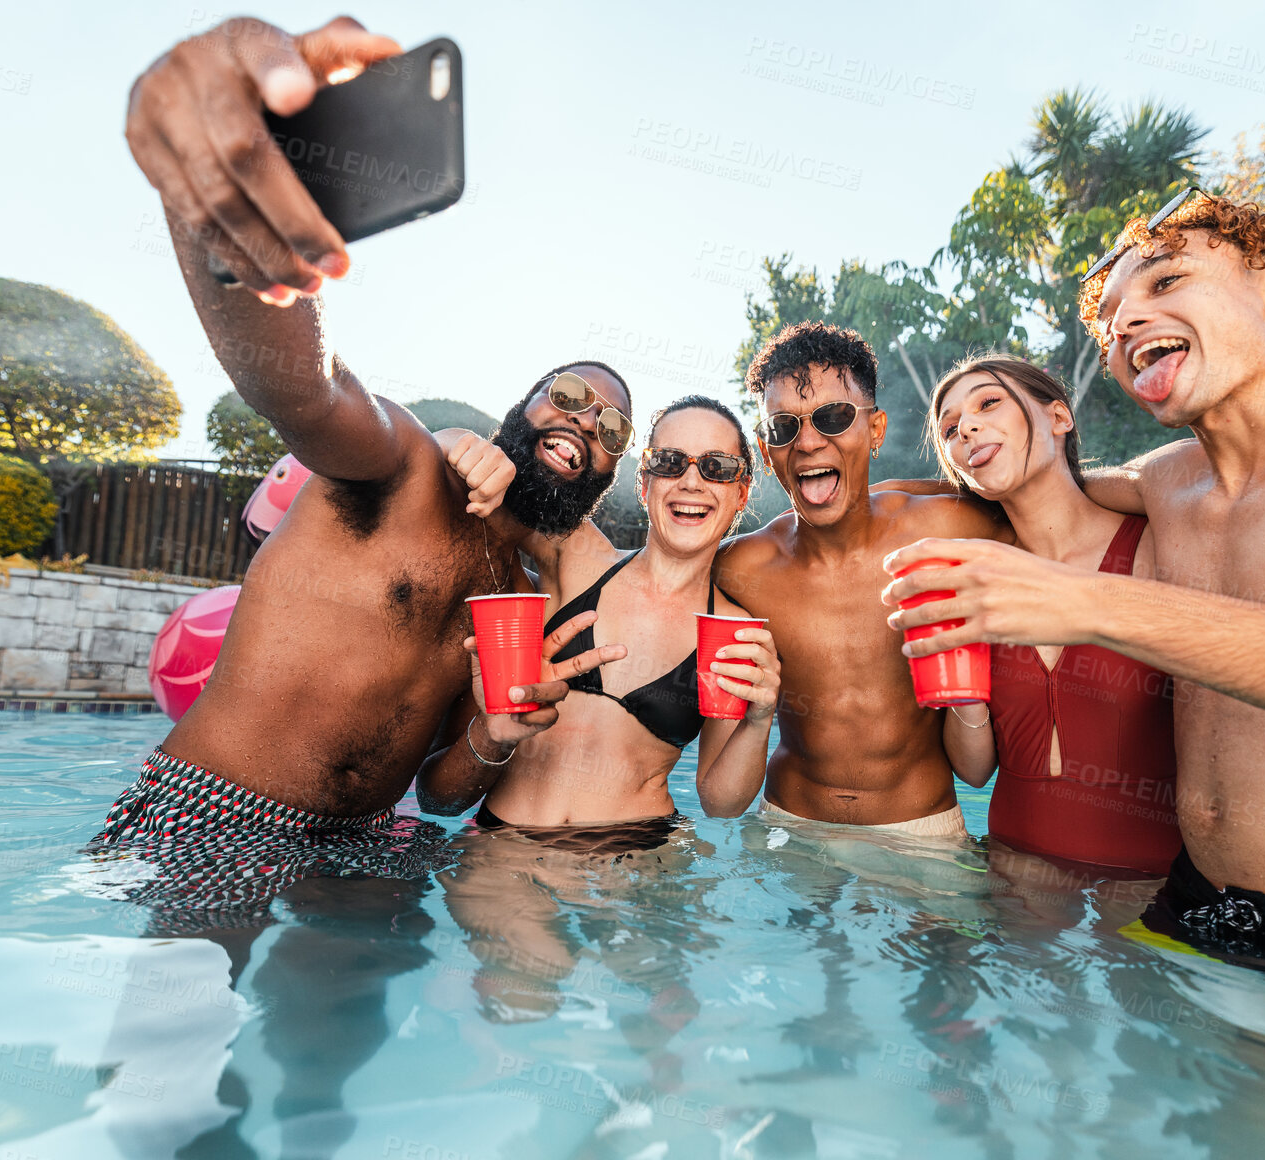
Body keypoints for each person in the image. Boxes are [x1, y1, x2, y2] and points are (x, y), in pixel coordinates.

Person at [884, 189, 1265, 1004]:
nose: (1126, 322)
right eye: (1108, 318)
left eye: (1165, 282)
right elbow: (1038, 488)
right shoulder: (1166, 482)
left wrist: (1094, 603)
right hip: (1198, 913)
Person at [91, 15, 627, 913]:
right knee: (170, 1046)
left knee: (341, 1044)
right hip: (221, 808)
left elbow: (443, 792)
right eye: (566, 395)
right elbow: (300, 387)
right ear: (519, 411)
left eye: (610, 424)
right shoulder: (404, 463)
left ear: (604, 479)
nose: (584, 420)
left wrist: (498, 731)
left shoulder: (521, 590)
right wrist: (221, 218)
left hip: (369, 840)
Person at [418, 394, 782, 842]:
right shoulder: (576, 555)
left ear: (740, 491)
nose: (691, 482)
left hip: (638, 854)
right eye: (669, 462)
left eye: (717, 468)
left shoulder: (733, 633)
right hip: (508, 843)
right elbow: (469, 486)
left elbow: (720, 803)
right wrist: (452, 437)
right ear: (643, 483)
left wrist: (759, 720)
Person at [884, 354, 1181, 878]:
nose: (967, 428)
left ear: (1059, 417)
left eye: (988, 403)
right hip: (1014, 877)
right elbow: (975, 772)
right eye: (950, 429)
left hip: (1150, 885)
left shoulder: (1156, 544)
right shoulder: (973, 578)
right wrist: (962, 689)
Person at [705, 321, 1005, 839]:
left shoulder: (950, 528)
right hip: (788, 832)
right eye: (783, 427)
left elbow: (1054, 505)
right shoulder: (740, 567)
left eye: (834, 418)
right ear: (766, 447)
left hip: (921, 833)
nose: (808, 442)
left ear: (876, 430)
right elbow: (646, 578)